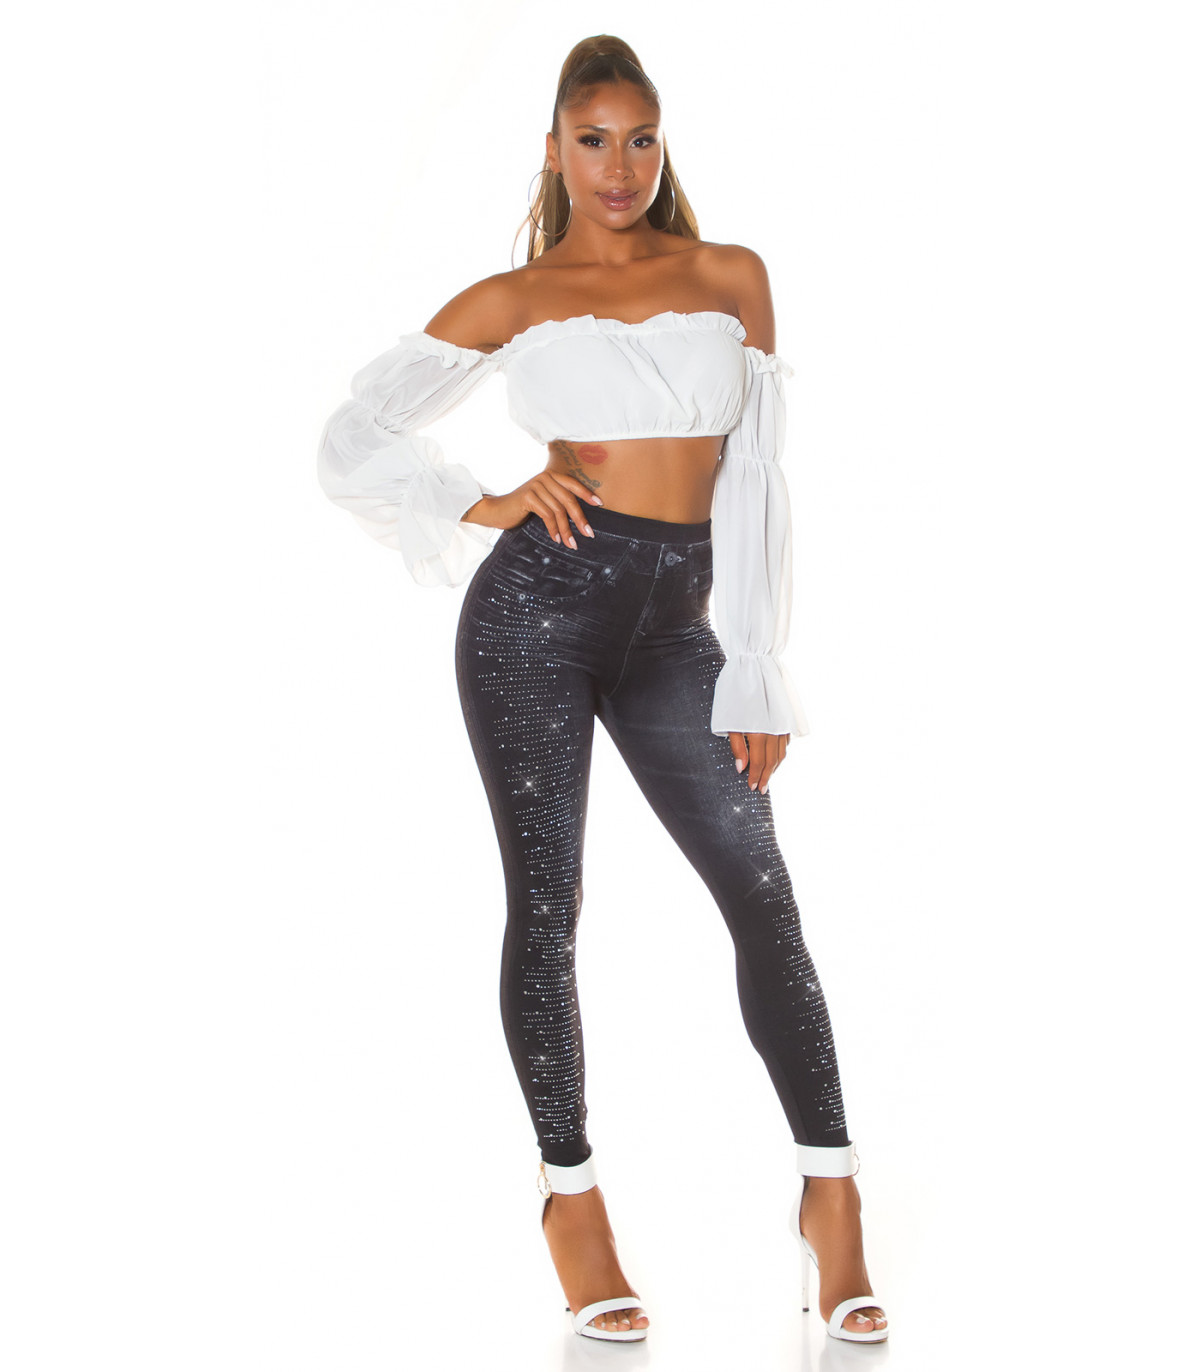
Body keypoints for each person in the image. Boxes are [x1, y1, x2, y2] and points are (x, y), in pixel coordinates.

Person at [316, 34, 888, 1346]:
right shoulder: (519, 297)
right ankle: (571, 1202)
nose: (618, 166)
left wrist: (755, 664)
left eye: (640, 138)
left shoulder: (730, 277)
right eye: (592, 140)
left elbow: (757, 478)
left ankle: (833, 1198)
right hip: (538, 613)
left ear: (662, 144)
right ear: (554, 150)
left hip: (679, 628)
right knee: (549, 901)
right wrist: (484, 501)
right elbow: (352, 438)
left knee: (761, 890)